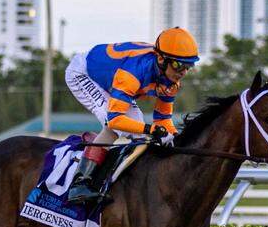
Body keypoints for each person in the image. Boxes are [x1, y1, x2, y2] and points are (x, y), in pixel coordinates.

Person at [63, 27, 200, 204]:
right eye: (178, 65)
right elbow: (115, 120)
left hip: (109, 79)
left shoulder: (172, 82)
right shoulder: (133, 72)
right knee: (115, 127)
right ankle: (79, 185)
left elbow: (163, 120)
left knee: (140, 132)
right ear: (161, 59)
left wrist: (176, 138)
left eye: (188, 66)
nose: (183, 72)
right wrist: (151, 129)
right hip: (83, 74)